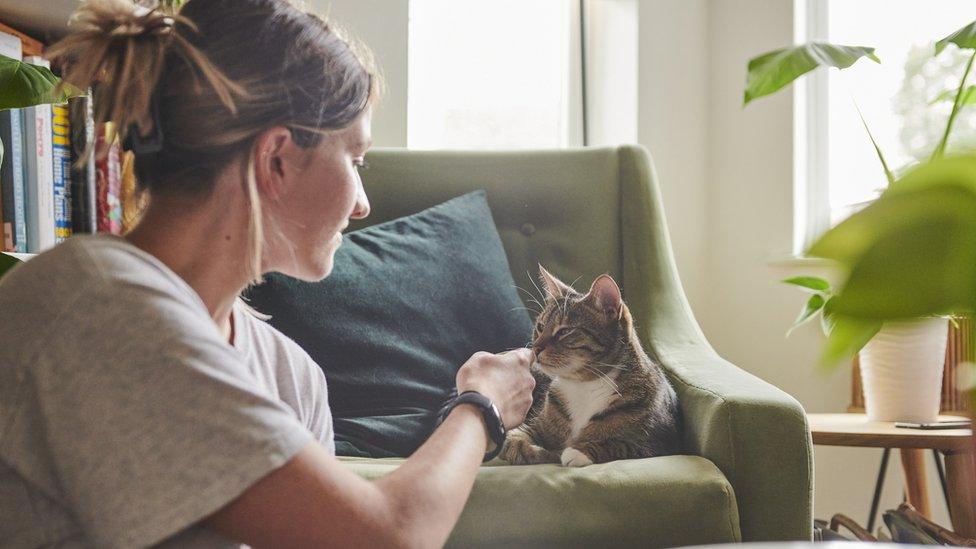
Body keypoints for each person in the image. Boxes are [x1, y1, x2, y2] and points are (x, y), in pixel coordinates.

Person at [0, 0, 535, 546]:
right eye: (356, 160)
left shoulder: (290, 374)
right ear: (276, 158)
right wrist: (482, 404)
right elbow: (387, 537)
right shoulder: (93, 307)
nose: (362, 204)